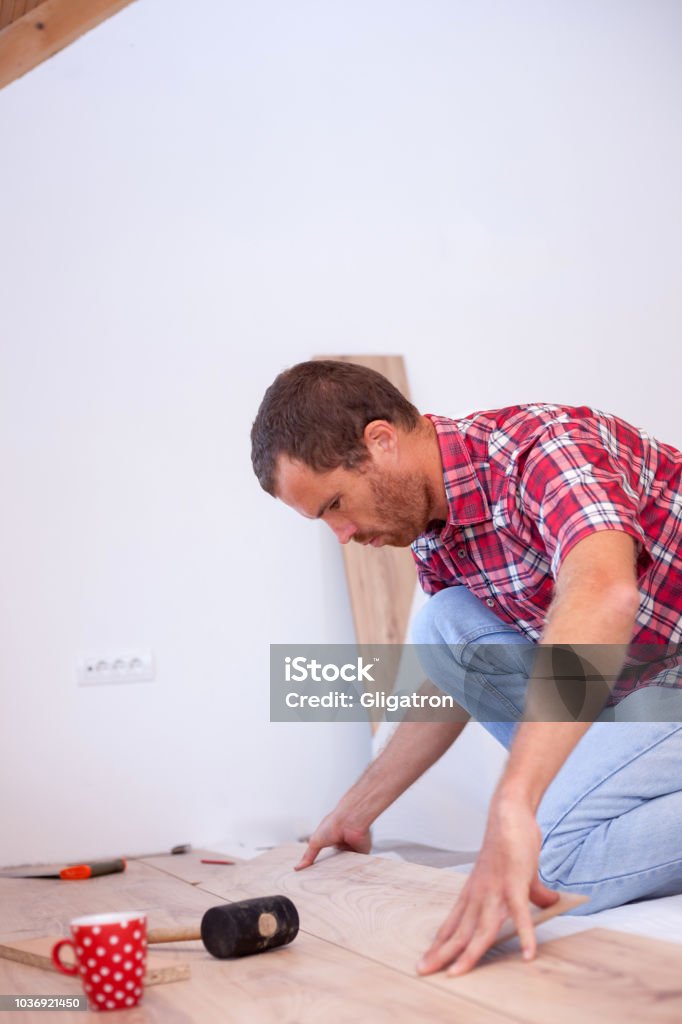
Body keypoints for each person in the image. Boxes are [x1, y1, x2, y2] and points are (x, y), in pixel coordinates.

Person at [250, 359, 682, 977]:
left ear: (381, 440)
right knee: (442, 625)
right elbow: (453, 681)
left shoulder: (542, 450)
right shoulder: (431, 530)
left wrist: (513, 807)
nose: (342, 534)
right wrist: (358, 808)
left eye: (336, 505)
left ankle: (548, 826)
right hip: (640, 695)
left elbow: (604, 593)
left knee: (547, 863)